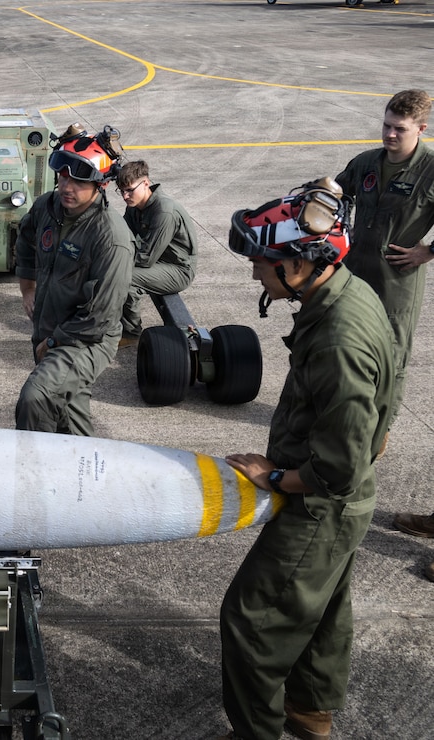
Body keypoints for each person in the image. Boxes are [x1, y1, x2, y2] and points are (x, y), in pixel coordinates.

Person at [219, 179, 394, 740]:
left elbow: (337, 468)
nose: (254, 272)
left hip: (321, 501)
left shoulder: (338, 338)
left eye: (263, 262)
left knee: (250, 621)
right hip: (344, 500)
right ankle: (311, 712)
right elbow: (379, 417)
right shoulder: (348, 293)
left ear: (298, 266)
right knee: (321, 610)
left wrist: (275, 477)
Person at [335, 90, 434, 560]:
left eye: (401, 128)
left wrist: (427, 251)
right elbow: (336, 191)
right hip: (355, 271)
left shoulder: (431, 168)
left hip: (398, 279)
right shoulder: (367, 162)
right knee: (343, 340)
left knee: (392, 355)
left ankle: (382, 426)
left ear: (421, 130)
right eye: (388, 125)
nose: (391, 134)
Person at [13, 123, 134, 435]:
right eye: (63, 175)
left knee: (36, 398)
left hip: (86, 340)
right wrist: (28, 288)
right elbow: (25, 240)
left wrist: (52, 343)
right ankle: (84, 470)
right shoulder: (47, 208)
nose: (67, 186)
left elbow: (102, 318)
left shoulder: (111, 238)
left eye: (80, 179)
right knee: (67, 409)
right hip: (48, 328)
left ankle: (37, 474)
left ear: (100, 184)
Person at [115, 160, 198, 344]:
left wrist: (115, 260)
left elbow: (145, 258)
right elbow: (123, 238)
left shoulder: (164, 211)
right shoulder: (135, 207)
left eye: (129, 190)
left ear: (146, 184)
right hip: (159, 262)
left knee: (125, 277)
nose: (125, 196)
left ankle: (131, 333)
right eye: (121, 191)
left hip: (178, 269)